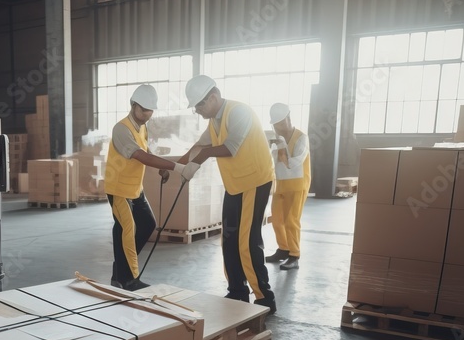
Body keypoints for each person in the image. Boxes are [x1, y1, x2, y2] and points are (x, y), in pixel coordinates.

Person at [178, 75, 277, 313]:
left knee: (247, 241)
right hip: (235, 185)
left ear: (213, 97)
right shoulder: (214, 120)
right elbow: (199, 146)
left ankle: (264, 298)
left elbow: (230, 148)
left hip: (254, 181)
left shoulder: (238, 112)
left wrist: (197, 162)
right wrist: (176, 167)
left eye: (199, 105)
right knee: (229, 238)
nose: (198, 111)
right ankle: (237, 291)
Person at [104, 83, 199, 291]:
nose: (148, 114)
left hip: (135, 189)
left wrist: (162, 169)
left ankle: (120, 271)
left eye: (151, 110)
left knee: (147, 224)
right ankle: (129, 281)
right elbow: (139, 155)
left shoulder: (143, 127)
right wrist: (177, 167)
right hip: (119, 190)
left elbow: (145, 150)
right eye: (145, 109)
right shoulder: (121, 129)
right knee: (127, 231)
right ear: (133, 105)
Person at [266, 103, 311, 271]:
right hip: (281, 184)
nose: (277, 126)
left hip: (298, 183)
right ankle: (283, 249)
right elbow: (274, 162)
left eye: (280, 122)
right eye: (275, 124)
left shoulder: (301, 138)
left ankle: (294, 255)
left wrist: (281, 147)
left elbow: (293, 163)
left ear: (288, 118)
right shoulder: (278, 138)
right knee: (277, 219)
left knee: (291, 220)